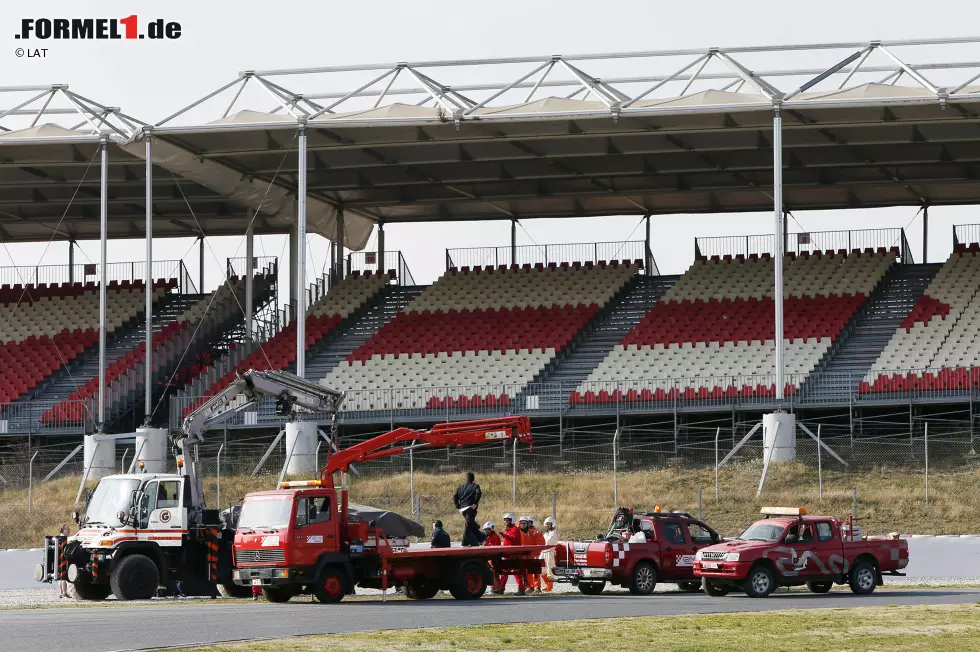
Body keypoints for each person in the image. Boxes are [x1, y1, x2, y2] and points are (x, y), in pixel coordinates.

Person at [497, 513, 525, 596]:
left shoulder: (515, 529)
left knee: (517, 573)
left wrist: (504, 535)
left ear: (512, 520)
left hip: (514, 554)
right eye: (505, 520)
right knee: (505, 572)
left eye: (508, 520)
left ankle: (521, 589)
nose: (506, 521)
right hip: (508, 554)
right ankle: (501, 589)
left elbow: (514, 539)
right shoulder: (508, 529)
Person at [453, 472, 482, 546]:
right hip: (470, 507)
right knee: (469, 523)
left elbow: (455, 497)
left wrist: (458, 507)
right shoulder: (475, 486)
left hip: (463, 509)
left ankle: (466, 542)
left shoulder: (461, 487)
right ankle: (479, 539)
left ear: (466, 478)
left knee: (469, 523)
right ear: (473, 478)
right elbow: (478, 493)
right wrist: (475, 503)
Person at [520, 517, 542, 594]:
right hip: (524, 555)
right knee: (527, 573)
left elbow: (541, 543)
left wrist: (536, 553)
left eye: (529, 522)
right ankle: (529, 586)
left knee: (535, 572)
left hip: (533, 555)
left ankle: (537, 587)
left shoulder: (535, 532)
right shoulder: (520, 532)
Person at [482, 522, 502, 594]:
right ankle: (495, 588)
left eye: (488, 529)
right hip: (491, 558)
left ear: (491, 529)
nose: (486, 531)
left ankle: (496, 589)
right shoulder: (488, 537)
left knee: (494, 574)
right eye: (485, 529)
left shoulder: (495, 537)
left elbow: (495, 548)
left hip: (494, 558)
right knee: (493, 573)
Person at [540, 517, 558, 592]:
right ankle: (547, 584)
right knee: (541, 569)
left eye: (549, 524)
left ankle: (550, 586)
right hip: (543, 552)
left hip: (549, 552)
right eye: (546, 524)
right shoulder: (546, 533)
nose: (547, 525)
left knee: (550, 570)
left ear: (552, 524)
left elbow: (548, 542)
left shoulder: (554, 533)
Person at [58, 524, 70, 599]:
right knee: (64, 578)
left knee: (60, 578)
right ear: (63, 529)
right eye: (67, 529)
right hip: (63, 560)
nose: (68, 530)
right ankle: (64, 593)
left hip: (59, 560)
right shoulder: (64, 539)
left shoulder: (59, 538)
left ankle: (61, 593)